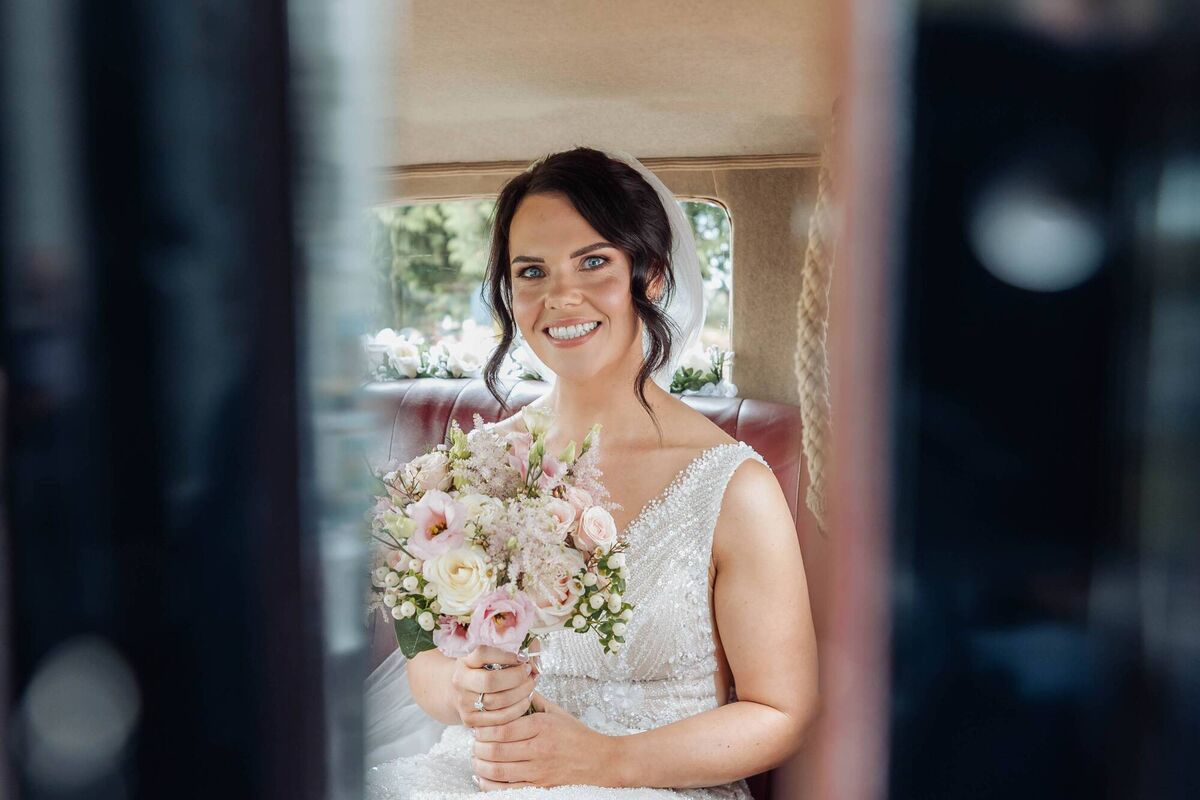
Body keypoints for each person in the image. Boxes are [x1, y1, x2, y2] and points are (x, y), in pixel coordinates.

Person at [365, 148, 817, 798]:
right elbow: (426, 662)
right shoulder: (474, 468)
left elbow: (781, 713)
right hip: (475, 777)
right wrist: (463, 691)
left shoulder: (733, 487)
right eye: (532, 271)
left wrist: (604, 763)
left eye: (594, 261)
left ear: (652, 275)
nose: (560, 297)